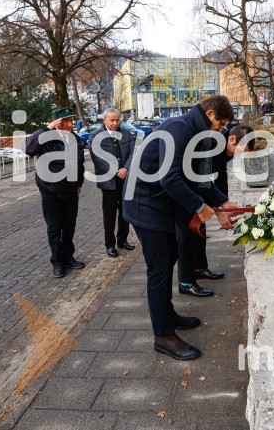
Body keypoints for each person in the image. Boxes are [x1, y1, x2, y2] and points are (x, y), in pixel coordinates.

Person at [123, 95, 238, 361]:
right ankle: (163, 336)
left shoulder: (195, 133)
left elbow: (197, 177)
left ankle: (168, 315)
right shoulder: (179, 128)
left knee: (172, 254)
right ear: (210, 114)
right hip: (143, 203)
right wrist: (200, 207)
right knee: (159, 267)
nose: (221, 131)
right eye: (220, 124)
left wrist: (222, 202)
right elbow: (170, 177)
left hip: (160, 202)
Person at [177, 124, 255, 297]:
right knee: (187, 235)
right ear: (233, 139)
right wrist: (220, 211)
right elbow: (203, 182)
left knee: (200, 230)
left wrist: (225, 204)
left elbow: (220, 177)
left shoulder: (224, 148)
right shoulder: (212, 145)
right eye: (243, 150)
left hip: (199, 187)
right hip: (185, 190)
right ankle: (185, 282)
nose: (242, 155)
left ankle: (199, 268)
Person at [25, 106, 86, 279]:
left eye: (70, 121)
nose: (69, 125)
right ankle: (57, 261)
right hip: (51, 192)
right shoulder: (46, 138)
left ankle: (68, 257)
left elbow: (79, 164)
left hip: (71, 191)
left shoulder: (76, 139)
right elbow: (29, 148)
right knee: (54, 228)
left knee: (69, 227)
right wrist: (48, 127)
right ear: (56, 122)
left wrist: (79, 183)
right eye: (64, 121)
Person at [88, 108, 135, 258]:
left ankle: (122, 240)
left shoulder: (126, 134)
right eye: (112, 120)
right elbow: (98, 159)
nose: (115, 123)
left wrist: (126, 168)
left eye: (117, 120)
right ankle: (110, 244)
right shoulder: (95, 136)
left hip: (125, 178)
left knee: (125, 211)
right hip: (108, 180)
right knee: (109, 214)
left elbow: (133, 153)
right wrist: (116, 170)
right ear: (104, 120)